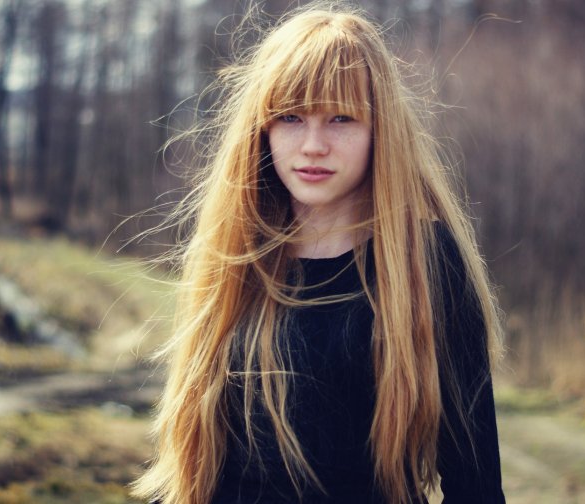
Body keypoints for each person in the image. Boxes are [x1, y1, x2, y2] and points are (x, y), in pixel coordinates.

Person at [133, 3, 505, 503]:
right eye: (290, 117)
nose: (313, 145)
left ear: (379, 129)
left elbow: (476, 487)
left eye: (340, 118)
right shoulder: (237, 253)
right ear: (262, 128)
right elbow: (196, 457)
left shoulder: (425, 261)